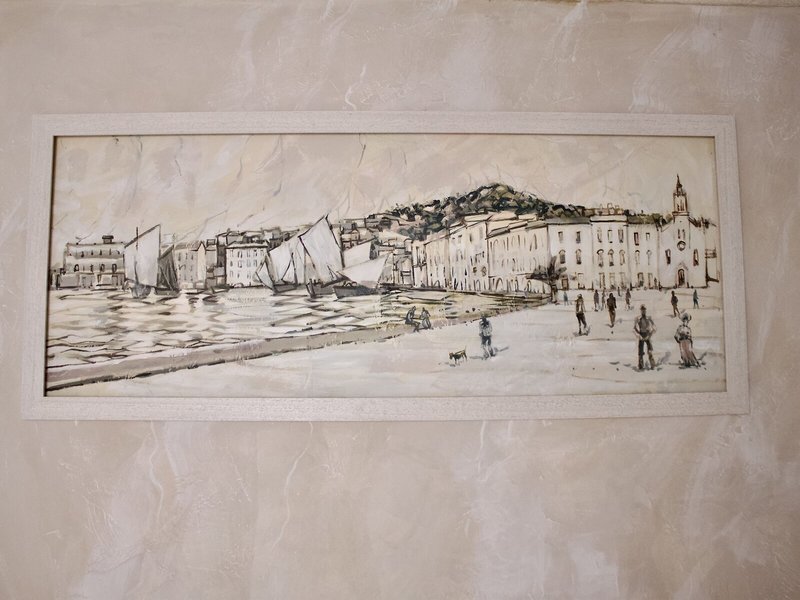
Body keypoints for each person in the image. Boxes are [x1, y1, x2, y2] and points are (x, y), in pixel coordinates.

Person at [634, 304, 657, 371]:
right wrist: (638, 335)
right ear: (640, 311)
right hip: (641, 334)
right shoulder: (637, 318)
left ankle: (652, 365)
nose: (643, 311)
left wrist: (650, 334)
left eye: (644, 310)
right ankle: (641, 365)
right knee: (640, 351)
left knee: (650, 350)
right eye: (642, 310)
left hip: (647, 334)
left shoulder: (649, 318)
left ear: (645, 310)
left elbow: (654, 327)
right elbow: (634, 328)